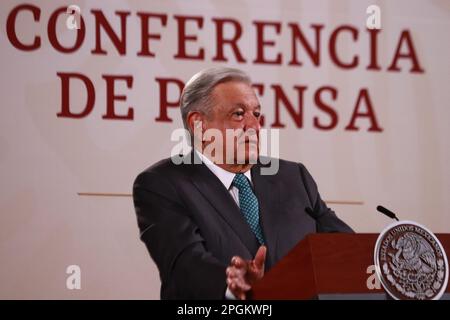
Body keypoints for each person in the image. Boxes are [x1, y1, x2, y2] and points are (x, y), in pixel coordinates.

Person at [132, 67, 353, 300]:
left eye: (256, 114)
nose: (255, 127)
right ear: (199, 124)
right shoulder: (162, 184)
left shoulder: (293, 178)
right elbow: (185, 263)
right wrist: (232, 286)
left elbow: (345, 249)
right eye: (238, 114)